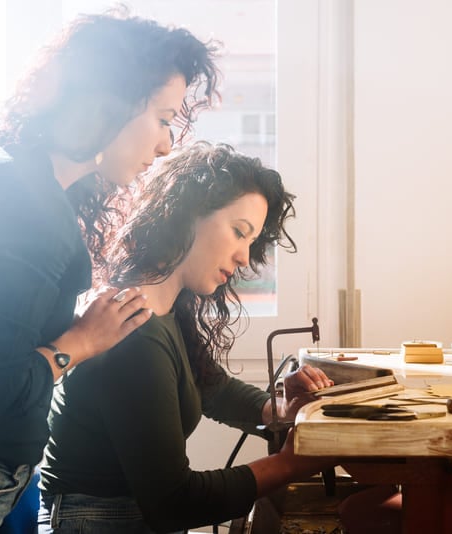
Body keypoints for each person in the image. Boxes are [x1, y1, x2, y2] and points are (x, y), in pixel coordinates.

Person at [0, 6, 220, 532]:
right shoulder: (23, 203)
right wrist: (81, 341)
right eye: (164, 119)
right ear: (111, 101)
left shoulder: (13, 173)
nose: (168, 144)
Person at [37, 141, 337, 533]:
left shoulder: (162, 306)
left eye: (251, 241)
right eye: (238, 232)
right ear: (186, 217)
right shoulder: (136, 332)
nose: (245, 257)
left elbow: (211, 388)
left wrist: (278, 407)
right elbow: (174, 502)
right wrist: (289, 464)